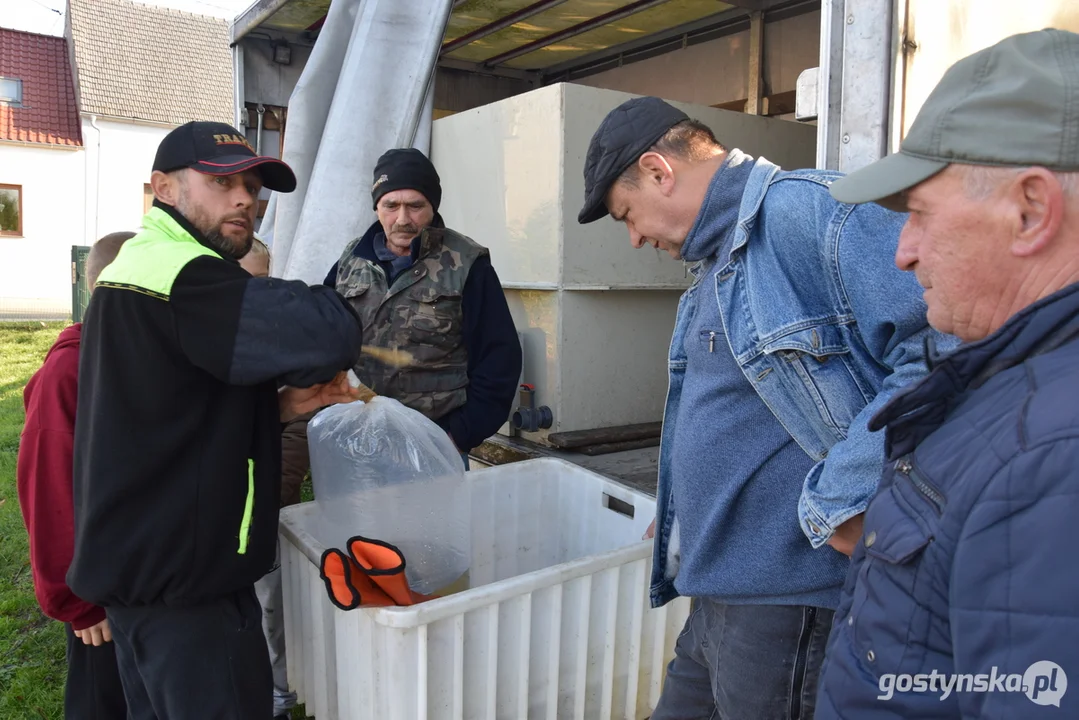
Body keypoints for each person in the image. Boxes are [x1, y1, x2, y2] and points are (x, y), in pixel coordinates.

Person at [576, 97, 958, 718]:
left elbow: (946, 346)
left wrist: (847, 493)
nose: (635, 236)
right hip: (716, 593)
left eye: (628, 214)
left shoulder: (813, 213)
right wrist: (685, 506)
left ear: (658, 171)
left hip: (792, 602)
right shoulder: (714, 263)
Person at [815, 28, 1079, 719]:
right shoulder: (1016, 378)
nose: (902, 253)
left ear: (1029, 210)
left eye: (919, 217)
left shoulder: (1053, 455)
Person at [66, 120, 365, 719]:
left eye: (253, 185)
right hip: (189, 594)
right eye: (221, 180)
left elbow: (169, 410)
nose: (245, 200)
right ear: (164, 188)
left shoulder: (133, 268)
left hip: (141, 578)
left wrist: (278, 406)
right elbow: (329, 333)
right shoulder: (186, 275)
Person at [323, 147, 522, 465]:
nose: (402, 219)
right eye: (391, 205)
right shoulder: (350, 261)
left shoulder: (467, 264)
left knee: (432, 518)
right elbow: (323, 338)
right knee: (359, 517)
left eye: (415, 206)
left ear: (433, 207)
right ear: (377, 207)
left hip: (435, 444)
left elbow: (499, 359)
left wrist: (458, 434)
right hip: (357, 439)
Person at [16, 231, 134, 720]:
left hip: (140, 578)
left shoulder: (134, 357)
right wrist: (78, 602)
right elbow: (49, 494)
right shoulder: (71, 370)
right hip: (96, 594)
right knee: (99, 699)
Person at [241, 237, 300, 720]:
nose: (255, 292)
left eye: (264, 281)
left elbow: (288, 423)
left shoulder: (275, 338)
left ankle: (278, 691)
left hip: (264, 502)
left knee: (270, 605)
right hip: (221, 508)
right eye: (246, 281)